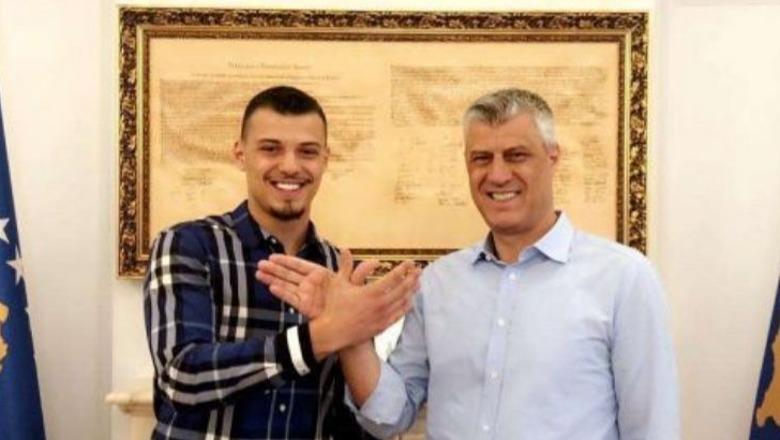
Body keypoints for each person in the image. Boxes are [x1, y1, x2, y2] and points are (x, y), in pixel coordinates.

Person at [258, 88, 680, 439]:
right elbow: (389, 415)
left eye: (516, 155)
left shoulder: (623, 278)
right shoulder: (438, 283)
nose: (497, 175)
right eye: (481, 158)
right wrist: (350, 334)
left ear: (553, 158)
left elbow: (652, 428)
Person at [143, 85, 419, 440]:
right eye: (270, 149)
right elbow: (182, 379)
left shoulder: (340, 270)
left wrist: (356, 340)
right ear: (240, 153)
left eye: (307, 152)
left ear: (325, 160)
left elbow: (348, 417)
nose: (290, 166)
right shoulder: (188, 245)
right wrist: (319, 337)